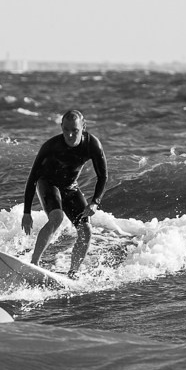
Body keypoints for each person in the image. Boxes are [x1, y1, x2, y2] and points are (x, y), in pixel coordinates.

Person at [21, 109, 108, 278]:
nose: (69, 135)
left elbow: (103, 176)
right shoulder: (50, 146)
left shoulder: (92, 144)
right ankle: (34, 263)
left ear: (83, 127)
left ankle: (73, 272)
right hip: (48, 183)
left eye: (74, 130)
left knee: (86, 229)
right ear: (61, 127)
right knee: (57, 217)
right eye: (66, 130)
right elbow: (32, 178)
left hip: (70, 187)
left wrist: (95, 202)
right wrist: (26, 212)